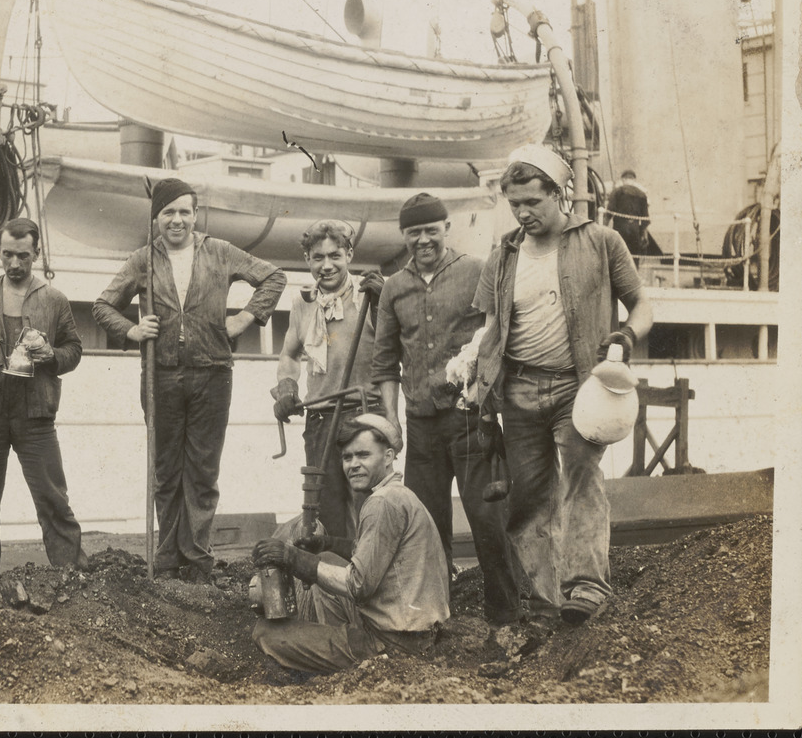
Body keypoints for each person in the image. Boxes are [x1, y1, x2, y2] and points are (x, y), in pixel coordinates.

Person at [472, 144, 653, 626]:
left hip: (579, 387)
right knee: (528, 497)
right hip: (520, 390)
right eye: (515, 204)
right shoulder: (503, 255)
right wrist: (479, 381)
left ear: (560, 194)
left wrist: (626, 335)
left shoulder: (602, 242)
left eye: (533, 201)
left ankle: (587, 587)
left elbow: (642, 305)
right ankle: (546, 600)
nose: (524, 213)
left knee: (581, 479)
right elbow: (490, 328)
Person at [94, 178, 287, 582]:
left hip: (213, 372)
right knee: (166, 470)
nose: (177, 220)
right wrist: (133, 330)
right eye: (168, 213)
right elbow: (102, 306)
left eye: (185, 211)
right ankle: (166, 559)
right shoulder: (142, 260)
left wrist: (244, 319)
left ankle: (197, 558)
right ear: (156, 218)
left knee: (201, 471)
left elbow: (273, 278)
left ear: (195, 215)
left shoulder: (218, 251)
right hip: (160, 374)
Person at [368, 193, 523, 624]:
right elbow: (384, 362)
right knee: (427, 528)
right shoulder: (394, 287)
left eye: (430, 231)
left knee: (488, 519)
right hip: (420, 427)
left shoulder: (476, 271)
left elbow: (494, 339)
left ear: (446, 230)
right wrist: (391, 423)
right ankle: (436, 617)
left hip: (470, 420)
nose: (422, 240)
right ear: (403, 235)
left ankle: (506, 614)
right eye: (413, 233)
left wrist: (485, 396)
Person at [0, 218, 88, 586]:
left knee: (53, 500)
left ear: (36, 253)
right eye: (7, 254)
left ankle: (72, 579)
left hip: (36, 416)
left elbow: (74, 351)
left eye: (23, 256)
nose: (14, 264)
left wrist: (51, 354)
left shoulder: (54, 300)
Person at [250, 413, 450, 674]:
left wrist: (292, 558)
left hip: (391, 643)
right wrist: (328, 542)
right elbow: (375, 557)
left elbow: (359, 585)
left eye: (363, 455)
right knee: (328, 565)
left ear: (388, 457)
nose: (353, 465)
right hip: (421, 632)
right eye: (347, 457)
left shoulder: (381, 503)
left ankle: (339, 663)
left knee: (266, 633)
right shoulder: (400, 495)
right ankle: (331, 644)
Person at [272, 219, 385, 541]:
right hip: (320, 419)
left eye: (335, 256)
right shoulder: (303, 303)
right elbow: (290, 355)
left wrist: (382, 302)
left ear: (349, 254)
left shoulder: (370, 296)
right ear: (307, 259)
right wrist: (287, 388)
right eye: (317, 257)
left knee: (371, 508)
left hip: (364, 414)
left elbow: (397, 349)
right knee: (327, 512)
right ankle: (337, 583)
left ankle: (373, 580)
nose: (326, 265)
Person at [606, 170, 652, 256]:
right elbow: (645, 219)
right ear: (634, 180)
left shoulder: (617, 191)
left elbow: (608, 213)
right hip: (635, 229)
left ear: (623, 179)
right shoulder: (642, 194)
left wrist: (602, 230)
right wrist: (644, 235)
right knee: (634, 256)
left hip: (620, 229)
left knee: (619, 255)